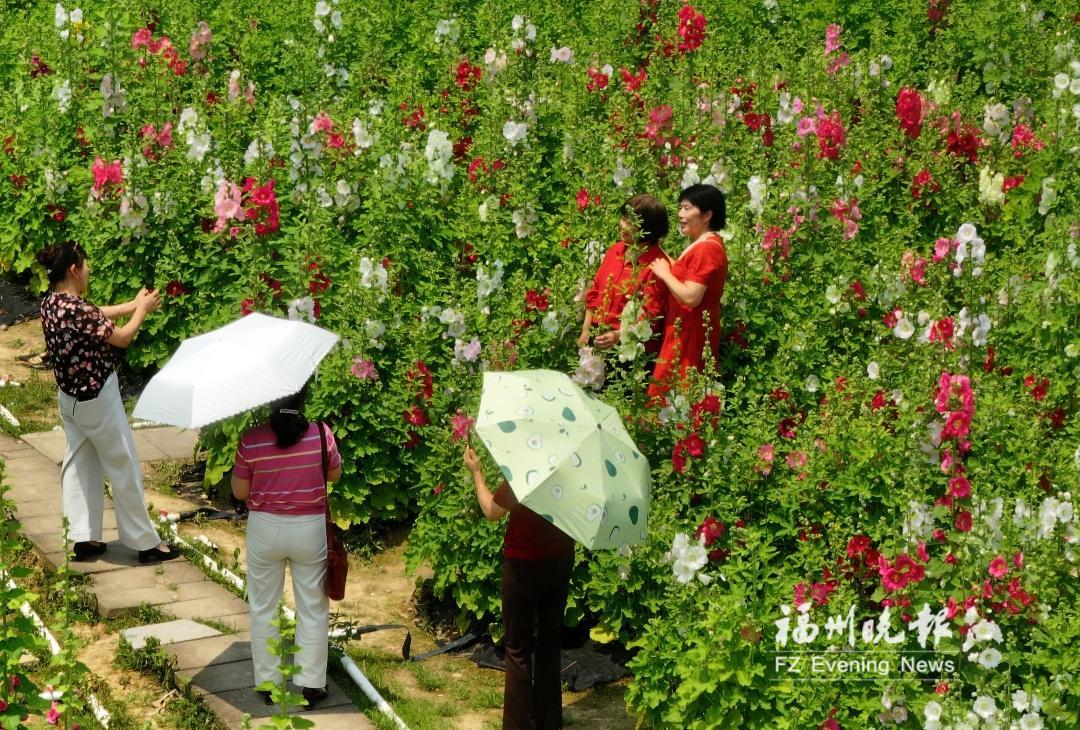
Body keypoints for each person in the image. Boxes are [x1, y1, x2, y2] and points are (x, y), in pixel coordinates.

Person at [36, 241, 178, 564]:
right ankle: (145, 543)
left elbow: (95, 315)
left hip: (69, 400)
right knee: (123, 464)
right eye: (85, 266)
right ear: (74, 270)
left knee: (79, 464)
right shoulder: (78, 310)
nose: (89, 271)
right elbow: (122, 337)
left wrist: (131, 304)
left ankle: (82, 537)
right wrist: (141, 311)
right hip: (98, 399)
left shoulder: (51, 303)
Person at [231, 386, 342, 708]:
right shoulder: (321, 434)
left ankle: (268, 683)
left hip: (265, 528)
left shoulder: (251, 439)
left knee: (264, 607)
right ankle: (311, 684)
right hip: (309, 527)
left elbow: (240, 492)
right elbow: (334, 474)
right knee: (313, 607)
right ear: (302, 396)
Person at [464, 444, 575, 730]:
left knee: (517, 647)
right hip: (560, 561)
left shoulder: (526, 472)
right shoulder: (572, 472)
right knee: (550, 643)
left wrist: (477, 472)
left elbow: (491, 511)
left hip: (522, 566)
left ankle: (519, 725)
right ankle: (550, 723)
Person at [647, 184, 729, 400]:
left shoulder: (707, 248)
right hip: (683, 329)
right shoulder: (701, 244)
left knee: (677, 395)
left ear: (707, 215)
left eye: (687, 208)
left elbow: (691, 297)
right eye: (680, 208)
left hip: (690, 334)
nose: (680, 215)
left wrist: (665, 273)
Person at [578, 194, 670, 358]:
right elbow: (595, 291)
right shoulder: (615, 250)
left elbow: (651, 316)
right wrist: (586, 330)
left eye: (630, 222)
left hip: (628, 347)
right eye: (623, 218)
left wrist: (619, 335)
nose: (623, 225)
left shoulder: (657, 265)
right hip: (597, 335)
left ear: (649, 228)